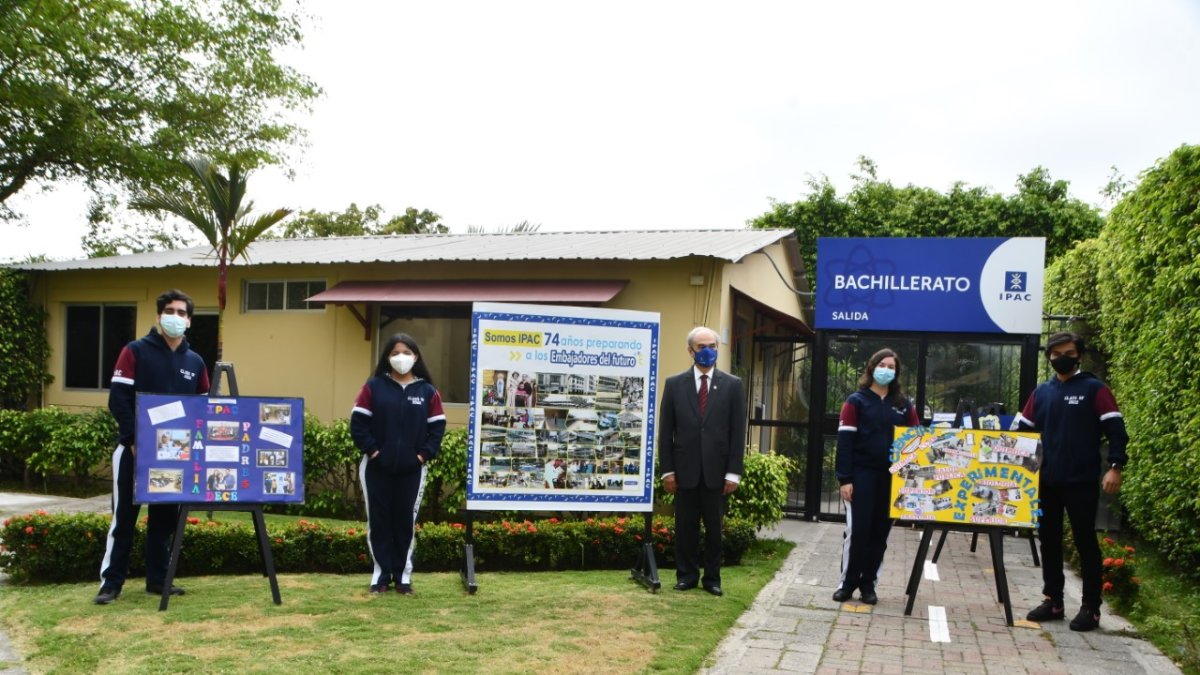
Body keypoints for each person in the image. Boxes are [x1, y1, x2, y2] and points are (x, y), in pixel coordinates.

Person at [95, 289, 210, 605]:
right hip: (134, 454)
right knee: (124, 520)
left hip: (174, 457)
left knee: (163, 522)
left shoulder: (195, 362)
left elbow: (201, 410)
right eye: (170, 311)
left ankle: (158, 581)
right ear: (159, 316)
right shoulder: (134, 352)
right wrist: (134, 440)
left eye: (182, 313)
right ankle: (111, 584)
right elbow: (118, 400)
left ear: (189, 320)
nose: (176, 317)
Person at [1015, 332, 1128, 632]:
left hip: (1081, 481)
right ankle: (1054, 600)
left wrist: (1115, 466)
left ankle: (1091, 607)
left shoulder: (1095, 389)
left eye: (1067, 352)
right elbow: (1021, 434)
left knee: (1084, 541)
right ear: (1049, 357)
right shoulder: (1041, 393)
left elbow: (1117, 431)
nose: (1060, 358)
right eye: (1054, 353)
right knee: (1048, 540)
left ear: (1078, 355)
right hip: (1046, 481)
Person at [350, 333, 446, 595]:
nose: (401, 357)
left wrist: (421, 456)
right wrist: (374, 452)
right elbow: (358, 424)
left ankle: (403, 578)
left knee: (405, 522)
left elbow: (437, 430)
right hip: (376, 469)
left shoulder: (427, 391)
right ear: (387, 357)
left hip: (412, 471)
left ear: (416, 356)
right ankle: (380, 577)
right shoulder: (373, 387)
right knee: (379, 522)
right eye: (395, 352)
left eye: (406, 352)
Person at [658, 326, 746, 597]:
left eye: (712, 346)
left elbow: (737, 432)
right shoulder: (674, 384)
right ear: (690, 351)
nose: (707, 351)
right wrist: (668, 471)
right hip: (684, 472)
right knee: (685, 528)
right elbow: (666, 430)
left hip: (717, 473)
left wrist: (733, 473)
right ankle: (686, 576)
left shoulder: (733, 385)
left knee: (714, 531)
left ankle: (712, 579)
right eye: (701, 347)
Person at [832, 348, 919, 606]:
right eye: (883, 364)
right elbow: (845, 442)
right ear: (871, 367)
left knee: (879, 535)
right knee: (858, 532)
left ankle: (868, 584)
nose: (887, 370)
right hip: (861, 476)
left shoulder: (904, 405)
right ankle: (847, 584)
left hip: (892, 478)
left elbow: (916, 440)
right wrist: (844, 479)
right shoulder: (855, 401)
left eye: (892, 367)